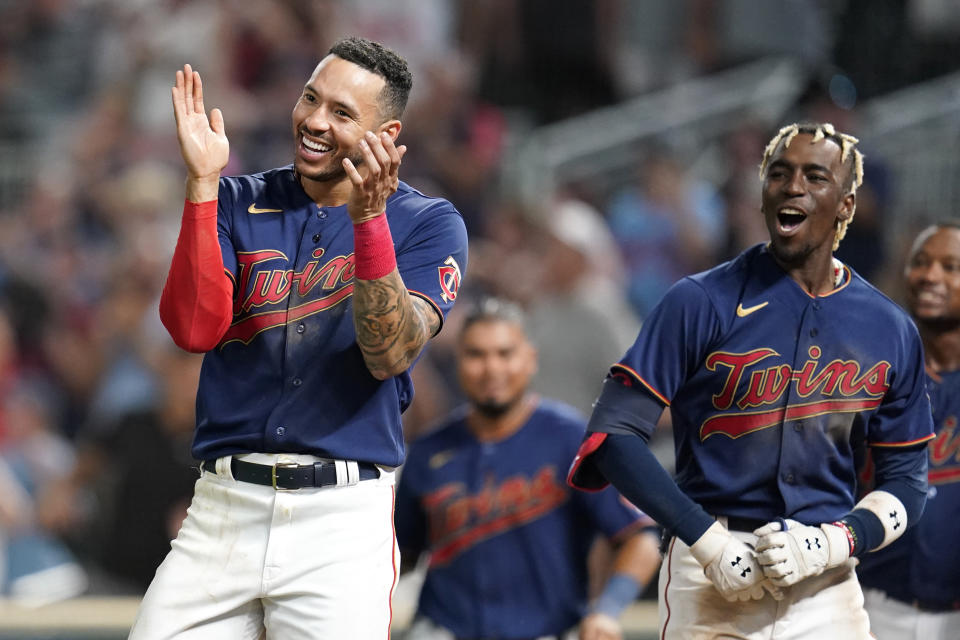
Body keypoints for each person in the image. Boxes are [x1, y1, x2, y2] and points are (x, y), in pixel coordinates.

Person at [132, 36, 468, 639]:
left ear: (386, 135)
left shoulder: (427, 222)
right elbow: (192, 329)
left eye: (342, 113)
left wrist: (368, 221)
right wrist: (202, 186)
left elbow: (389, 352)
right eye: (311, 98)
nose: (314, 121)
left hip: (341, 519)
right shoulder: (238, 199)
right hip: (223, 507)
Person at [567, 122, 934, 639]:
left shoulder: (889, 327)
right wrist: (705, 539)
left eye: (814, 176)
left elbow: (907, 482)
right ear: (762, 196)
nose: (792, 187)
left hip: (824, 581)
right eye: (778, 174)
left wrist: (835, 541)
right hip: (711, 567)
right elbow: (612, 436)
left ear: (846, 205)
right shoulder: (699, 300)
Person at [395, 298, 661, 640]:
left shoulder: (569, 438)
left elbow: (640, 537)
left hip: (546, 630)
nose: (491, 368)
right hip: (445, 629)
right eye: (477, 354)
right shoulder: (429, 451)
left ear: (530, 359)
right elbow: (402, 554)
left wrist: (607, 611)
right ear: (458, 362)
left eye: (504, 354)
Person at [857, 222, 960, 639]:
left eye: (950, 266)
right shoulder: (871, 367)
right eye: (920, 262)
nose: (930, 275)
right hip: (872, 600)